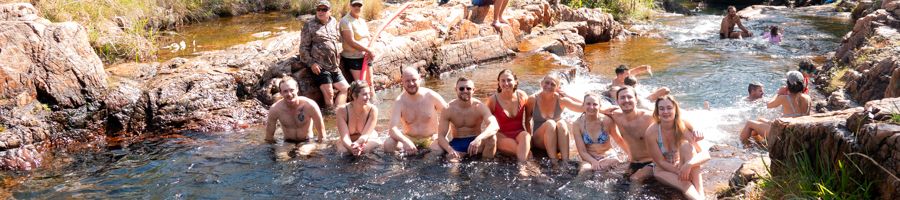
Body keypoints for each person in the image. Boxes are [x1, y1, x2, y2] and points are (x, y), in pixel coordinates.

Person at [644, 95, 710, 200]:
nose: (665, 111)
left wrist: (689, 165)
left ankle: (701, 195)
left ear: (675, 109)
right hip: (662, 170)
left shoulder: (682, 126)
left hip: (681, 164)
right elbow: (660, 162)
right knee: (686, 184)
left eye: (669, 108)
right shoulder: (651, 132)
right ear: (657, 112)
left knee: (687, 147)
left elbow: (705, 154)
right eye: (661, 109)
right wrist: (680, 172)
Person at [385, 67, 448, 155]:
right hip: (410, 138)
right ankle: (397, 168)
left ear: (420, 78)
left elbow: (450, 116)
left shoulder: (431, 96)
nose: (411, 84)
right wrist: (405, 141)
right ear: (402, 81)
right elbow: (392, 129)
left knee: (437, 150)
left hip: (431, 138)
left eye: (414, 80)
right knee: (388, 144)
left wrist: (441, 135)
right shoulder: (399, 102)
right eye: (407, 81)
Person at [300, 0, 348, 112]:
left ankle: (338, 112)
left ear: (330, 11)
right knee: (329, 93)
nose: (320, 12)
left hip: (334, 66)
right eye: (318, 9)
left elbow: (337, 40)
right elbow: (303, 48)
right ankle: (330, 114)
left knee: (345, 89)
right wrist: (312, 63)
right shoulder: (309, 25)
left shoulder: (334, 22)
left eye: (324, 9)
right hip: (320, 66)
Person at [740, 71, 812, 146]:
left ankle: (741, 146)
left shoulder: (784, 98)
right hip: (799, 131)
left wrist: (778, 93)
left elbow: (769, 105)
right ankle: (758, 143)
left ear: (788, 85)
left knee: (749, 123)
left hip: (784, 134)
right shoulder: (808, 98)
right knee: (759, 119)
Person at [437, 77, 499, 162]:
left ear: (473, 90)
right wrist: (450, 150)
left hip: (476, 142)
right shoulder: (448, 108)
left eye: (468, 88)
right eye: (461, 88)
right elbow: (440, 136)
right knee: (451, 164)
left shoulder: (479, 106)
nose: (465, 91)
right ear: (456, 90)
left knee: (492, 138)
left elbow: (495, 125)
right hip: (457, 143)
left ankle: (486, 167)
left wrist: (478, 139)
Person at [265, 77, 326, 159]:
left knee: (301, 154)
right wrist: (271, 152)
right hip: (287, 142)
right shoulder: (275, 109)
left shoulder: (310, 105)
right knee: (281, 158)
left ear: (297, 89)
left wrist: (321, 150)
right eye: (285, 91)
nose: (289, 94)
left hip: (307, 141)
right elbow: (269, 137)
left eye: (291, 90)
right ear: (281, 93)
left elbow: (322, 134)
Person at [526, 75, 583, 161]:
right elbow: (526, 120)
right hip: (539, 141)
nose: (549, 86)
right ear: (541, 83)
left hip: (557, 142)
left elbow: (583, 107)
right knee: (550, 123)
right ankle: (554, 161)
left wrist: (568, 96)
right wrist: (528, 143)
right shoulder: (533, 99)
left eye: (553, 84)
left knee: (562, 123)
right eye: (547, 83)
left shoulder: (561, 99)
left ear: (557, 88)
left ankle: (565, 161)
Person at [606, 86, 657, 182]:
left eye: (629, 97)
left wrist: (693, 129)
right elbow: (592, 108)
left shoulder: (649, 117)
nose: (626, 100)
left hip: (652, 162)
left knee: (635, 179)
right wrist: (601, 110)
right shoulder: (616, 115)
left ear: (636, 99)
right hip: (633, 162)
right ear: (617, 101)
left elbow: (676, 117)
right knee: (612, 179)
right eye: (622, 98)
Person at [484, 69, 532, 161]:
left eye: (509, 80)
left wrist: (530, 139)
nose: (506, 83)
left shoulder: (522, 96)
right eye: (503, 80)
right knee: (526, 153)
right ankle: (523, 168)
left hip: (520, 133)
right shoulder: (492, 100)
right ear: (498, 83)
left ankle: (523, 167)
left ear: (515, 82)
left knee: (526, 136)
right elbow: (487, 123)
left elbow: (528, 120)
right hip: (501, 135)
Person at [573, 94, 628, 172]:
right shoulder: (577, 124)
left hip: (608, 156)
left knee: (609, 169)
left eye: (595, 104)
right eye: (588, 104)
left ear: (599, 106)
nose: (591, 107)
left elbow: (619, 140)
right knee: (584, 171)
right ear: (583, 105)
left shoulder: (607, 121)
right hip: (589, 157)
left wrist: (631, 156)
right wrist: (593, 161)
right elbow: (582, 151)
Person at [336, 80, 381, 156]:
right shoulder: (342, 111)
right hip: (348, 140)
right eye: (364, 94)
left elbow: (365, 135)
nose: (368, 97)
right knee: (343, 152)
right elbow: (345, 137)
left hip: (368, 138)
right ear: (354, 95)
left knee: (365, 150)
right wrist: (352, 148)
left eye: (369, 94)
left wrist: (357, 144)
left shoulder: (373, 110)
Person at [340, 0, 376, 82]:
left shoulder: (362, 21)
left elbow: (367, 37)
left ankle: (373, 95)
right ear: (350, 6)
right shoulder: (345, 21)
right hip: (353, 58)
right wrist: (368, 50)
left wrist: (370, 50)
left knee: (370, 85)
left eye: (359, 5)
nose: (357, 7)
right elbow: (351, 42)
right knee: (362, 86)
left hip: (365, 56)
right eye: (354, 5)